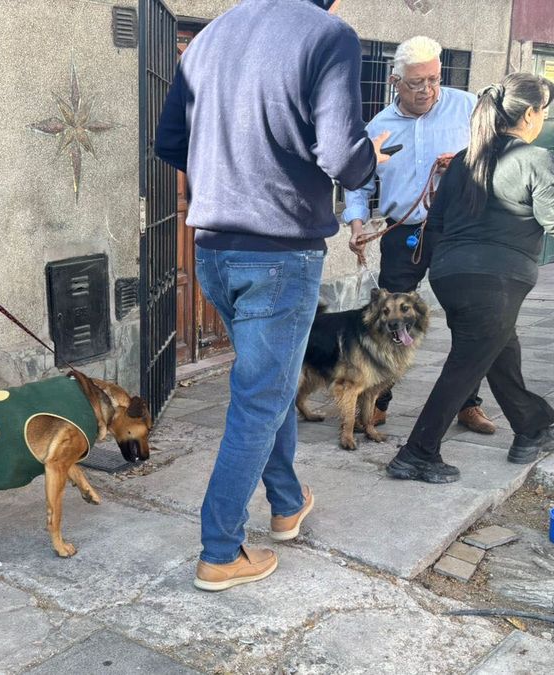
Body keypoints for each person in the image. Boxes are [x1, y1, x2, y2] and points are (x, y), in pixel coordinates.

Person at [156, 0, 391, 591]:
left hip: (213, 250)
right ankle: (220, 549)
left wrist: (227, 177)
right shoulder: (327, 35)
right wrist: (371, 159)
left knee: (273, 382)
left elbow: (167, 142)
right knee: (260, 398)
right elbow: (342, 155)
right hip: (280, 254)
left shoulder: (210, 37)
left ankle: (286, 503)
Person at [387, 72, 554, 484]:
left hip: (453, 276)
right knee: (466, 364)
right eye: (543, 111)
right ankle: (417, 453)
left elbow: (433, 225)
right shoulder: (532, 159)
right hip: (494, 282)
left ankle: (532, 430)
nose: (543, 118)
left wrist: (433, 272)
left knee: (500, 349)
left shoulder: (462, 162)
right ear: (529, 113)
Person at [344, 36, 496, 436]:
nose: (426, 90)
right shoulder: (378, 126)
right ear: (395, 81)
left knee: (469, 318)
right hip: (403, 234)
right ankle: (376, 402)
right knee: (389, 319)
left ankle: (468, 404)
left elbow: (497, 155)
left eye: (433, 79)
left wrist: (465, 164)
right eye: (415, 83)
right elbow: (358, 182)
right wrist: (357, 223)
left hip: (459, 231)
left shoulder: (467, 108)